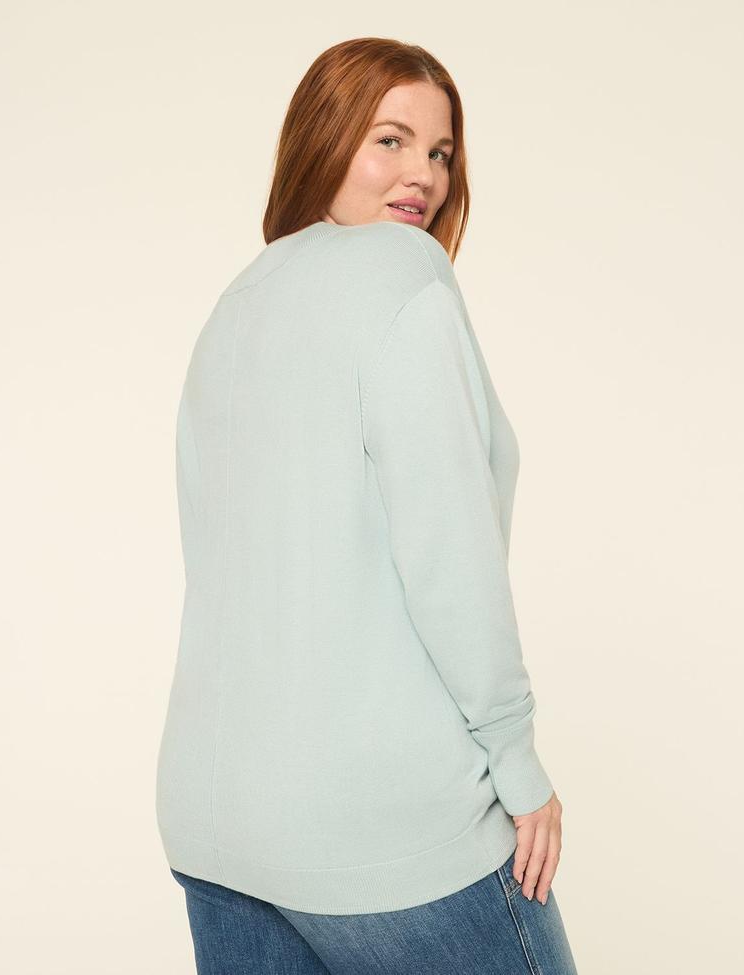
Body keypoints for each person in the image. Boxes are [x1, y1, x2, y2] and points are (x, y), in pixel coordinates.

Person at [155, 36, 579, 974]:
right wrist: (518, 764)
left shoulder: (238, 301)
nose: (423, 174)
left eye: (440, 151)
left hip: (215, 821)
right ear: (326, 137)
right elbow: (450, 557)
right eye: (390, 139)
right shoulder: (403, 276)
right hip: (378, 827)